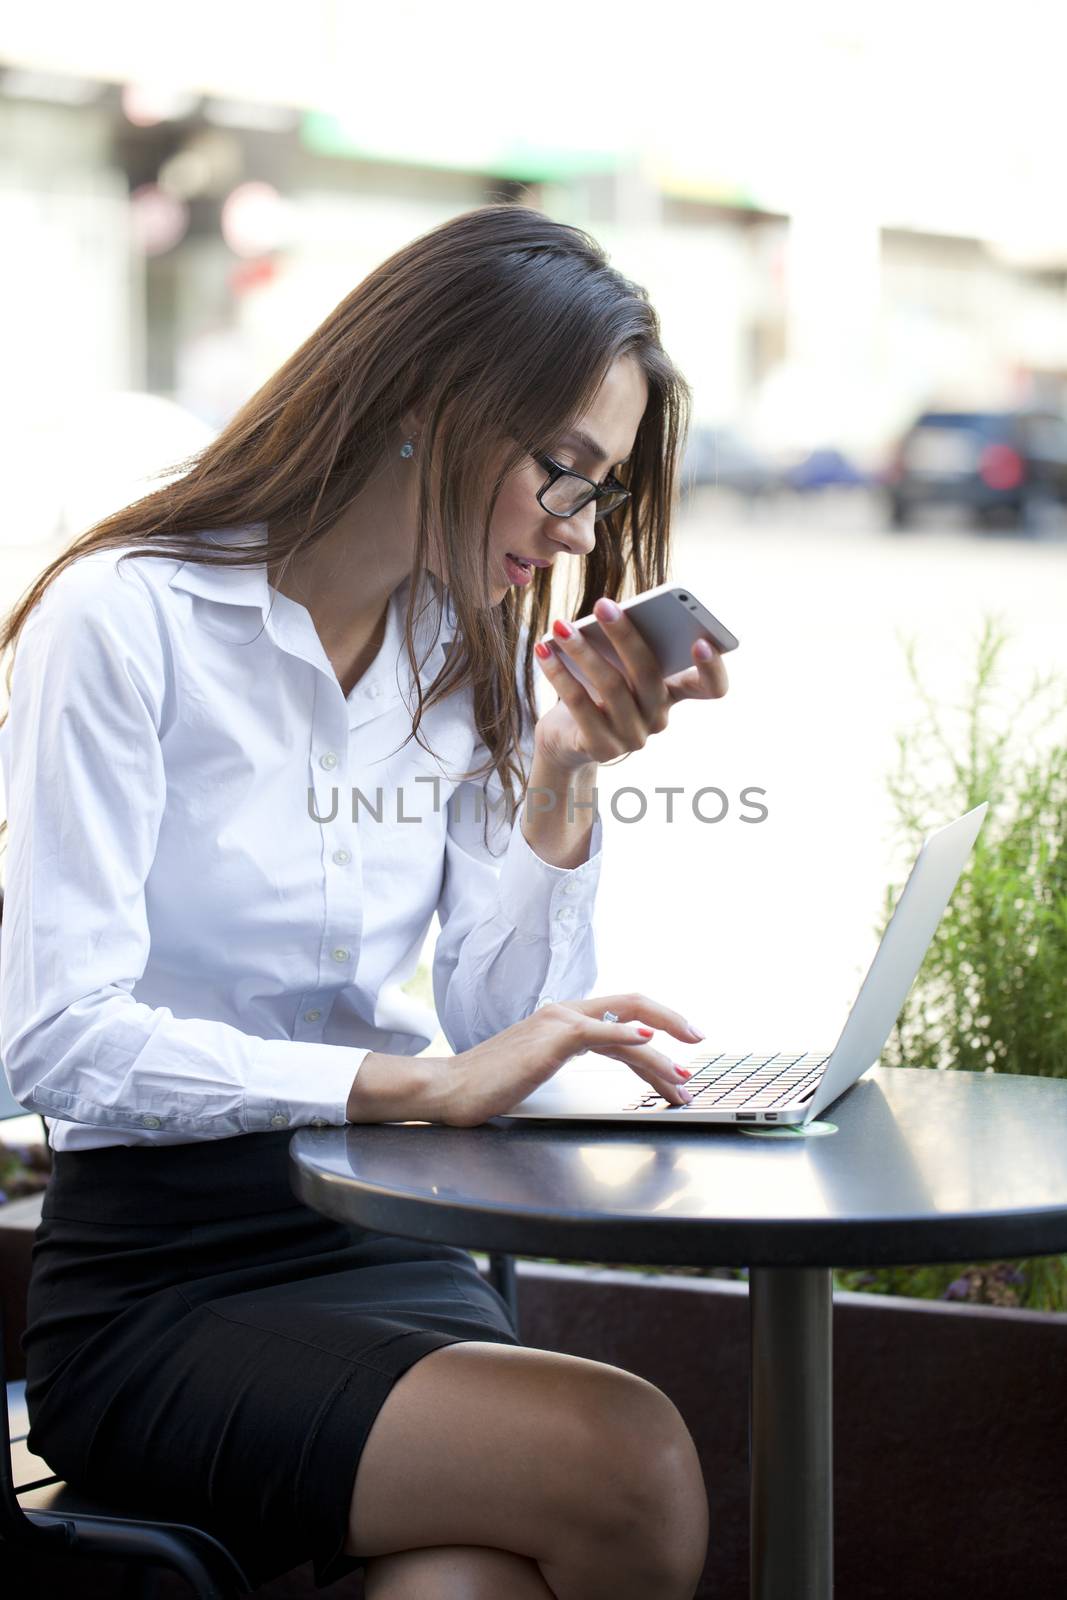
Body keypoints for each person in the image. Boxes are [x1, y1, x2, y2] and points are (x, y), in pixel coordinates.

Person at [0, 204, 728, 1599]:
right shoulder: (126, 619)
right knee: (625, 1458)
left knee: (470, 1581)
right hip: (162, 1280)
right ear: (429, 401)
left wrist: (564, 779)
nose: (575, 537)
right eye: (559, 472)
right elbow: (60, 1039)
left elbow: (501, 1023)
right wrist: (407, 1086)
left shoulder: (472, 661)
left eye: (599, 492)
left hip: (392, 1242)